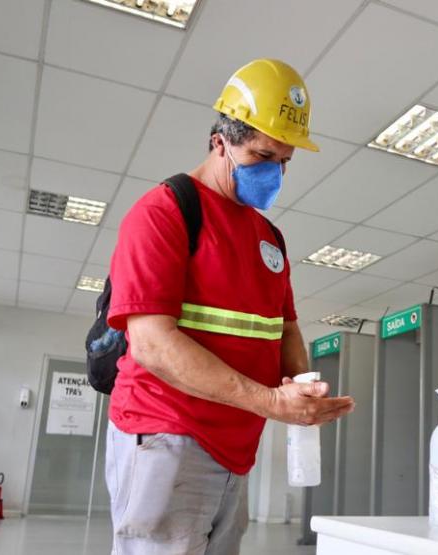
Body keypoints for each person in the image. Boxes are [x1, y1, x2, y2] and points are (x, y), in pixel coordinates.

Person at [103, 58, 355, 555]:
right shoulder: (164, 212)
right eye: (262, 155)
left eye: (284, 161)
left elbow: (285, 330)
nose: (275, 172)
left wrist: (299, 386)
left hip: (237, 445)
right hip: (167, 436)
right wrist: (269, 403)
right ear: (220, 142)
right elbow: (152, 344)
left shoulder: (270, 238)